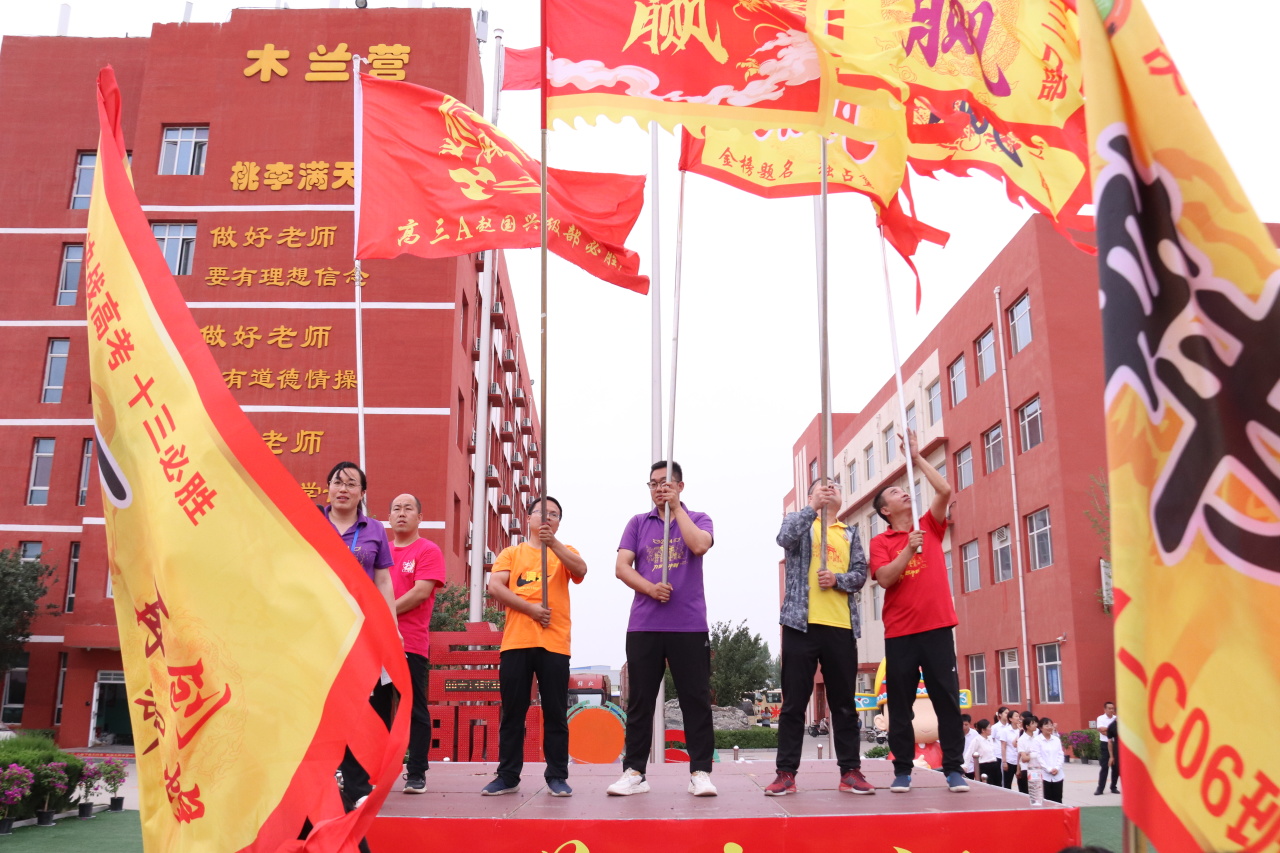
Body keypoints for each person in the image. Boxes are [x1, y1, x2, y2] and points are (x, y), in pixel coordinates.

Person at [608, 461, 717, 797]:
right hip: (645, 625)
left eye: (666, 483)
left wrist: (676, 509)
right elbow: (622, 567)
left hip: (689, 626)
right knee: (640, 701)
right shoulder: (638, 523)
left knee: (695, 700)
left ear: (680, 486)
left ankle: (700, 771)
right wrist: (650, 588)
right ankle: (634, 772)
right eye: (653, 484)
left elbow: (699, 546)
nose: (659, 489)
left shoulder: (698, 518)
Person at [868, 431, 967, 794]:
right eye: (896, 493)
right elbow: (884, 578)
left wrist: (916, 457)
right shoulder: (881, 542)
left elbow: (944, 491)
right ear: (885, 510)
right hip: (901, 633)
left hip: (937, 627)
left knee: (947, 701)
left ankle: (954, 769)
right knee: (900, 706)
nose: (904, 493)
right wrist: (909, 549)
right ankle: (902, 770)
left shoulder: (930, 525)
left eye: (904, 489)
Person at [765, 480, 872, 796]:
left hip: (840, 626)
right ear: (810, 495)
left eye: (835, 486)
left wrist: (837, 579)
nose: (830, 489)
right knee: (794, 703)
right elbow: (784, 538)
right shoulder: (800, 522)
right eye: (823, 486)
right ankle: (786, 773)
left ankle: (850, 771)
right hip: (800, 624)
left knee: (844, 704)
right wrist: (812, 509)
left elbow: (860, 574)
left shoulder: (848, 533)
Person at [480, 496, 587, 797]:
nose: (547, 517)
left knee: (555, 712)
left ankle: (557, 775)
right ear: (528, 518)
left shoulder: (565, 551)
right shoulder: (511, 553)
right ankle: (507, 775)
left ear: (559, 523)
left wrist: (553, 544)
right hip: (517, 641)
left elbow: (580, 570)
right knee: (513, 712)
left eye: (554, 514)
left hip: (554, 644)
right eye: (541, 512)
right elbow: (495, 586)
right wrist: (531, 610)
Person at [322, 461, 396, 808]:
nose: (343, 489)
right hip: (316, 629)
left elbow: (382, 580)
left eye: (352, 484)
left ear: (362, 493)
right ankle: (319, 780)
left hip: (358, 631)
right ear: (328, 489)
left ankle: (355, 784)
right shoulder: (311, 521)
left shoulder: (374, 529)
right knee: (320, 705)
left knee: (355, 705)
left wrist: (391, 628)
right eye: (338, 482)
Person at [387, 493, 447, 794]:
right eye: (396, 509)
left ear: (419, 517)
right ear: (389, 517)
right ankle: (372, 772)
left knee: (413, 708)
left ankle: (417, 772)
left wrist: (382, 611)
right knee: (375, 709)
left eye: (408, 508)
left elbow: (421, 592)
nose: (401, 513)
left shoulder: (427, 550)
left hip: (409, 643)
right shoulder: (381, 552)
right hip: (376, 642)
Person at [1095, 701, 1119, 795]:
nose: (1111, 710)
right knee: (1104, 767)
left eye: (1112, 708)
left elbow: (1114, 732)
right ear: (1105, 709)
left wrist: (1108, 730)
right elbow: (1101, 730)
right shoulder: (1100, 718)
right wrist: (1112, 730)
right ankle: (1100, 788)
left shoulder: (1116, 718)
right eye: (1109, 708)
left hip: (1115, 745)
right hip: (1105, 744)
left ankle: (1113, 787)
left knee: (1115, 767)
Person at [1039, 717, 1065, 803]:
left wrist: (1057, 767)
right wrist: (1048, 769)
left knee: (1058, 799)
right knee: (1046, 800)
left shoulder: (1056, 739)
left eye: (1051, 725)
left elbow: (1060, 754)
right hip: (1044, 775)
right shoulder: (1037, 740)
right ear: (1041, 727)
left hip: (1058, 774)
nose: (1049, 727)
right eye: (1046, 725)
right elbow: (1038, 757)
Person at [1017, 714, 1042, 803]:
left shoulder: (1037, 738)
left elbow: (1041, 754)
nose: (1035, 725)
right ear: (1027, 726)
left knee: (1036, 796)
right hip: (1026, 770)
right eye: (1033, 723)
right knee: (1025, 794)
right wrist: (1035, 755)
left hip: (1036, 769)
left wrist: (1030, 755)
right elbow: (1023, 758)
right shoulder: (1022, 739)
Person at [971, 719, 1000, 784]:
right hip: (984, 766)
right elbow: (970, 753)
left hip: (994, 765)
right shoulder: (977, 740)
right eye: (989, 727)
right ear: (983, 730)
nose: (991, 729)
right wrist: (965, 766)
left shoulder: (990, 738)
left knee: (998, 785)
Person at [1000, 710, 1022, 789]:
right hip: (1010, 760)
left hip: (1020, 761)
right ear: (1010, 719)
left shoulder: (1021, 730)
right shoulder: (1005, 731)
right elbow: (1003, 747)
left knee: (1022, 784)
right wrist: (1004, 762)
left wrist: (1020, 731)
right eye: (1016, 716)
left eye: (1018, 716)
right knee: (1007, 784)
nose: (1018, 718)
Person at [960, 714, 981, 781]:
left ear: (970, 724)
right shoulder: (956, 733)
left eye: (966, 725)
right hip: (959, 763)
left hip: (971, 764)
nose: (964, 727)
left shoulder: (974, 734)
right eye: (962, 724)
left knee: (970, 781)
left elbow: (978, 747)